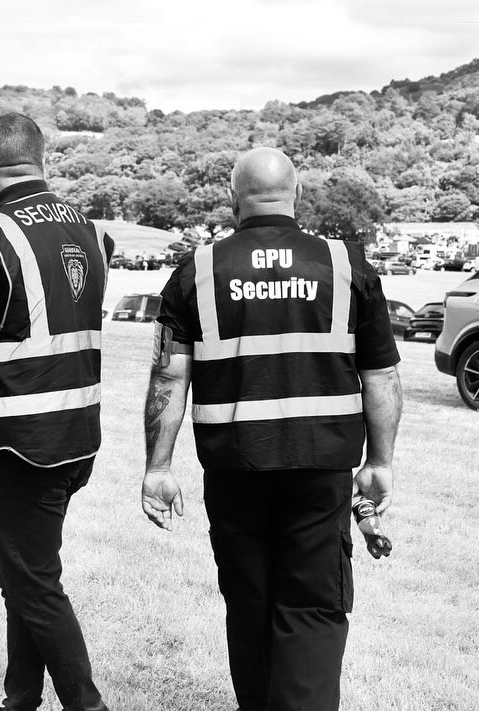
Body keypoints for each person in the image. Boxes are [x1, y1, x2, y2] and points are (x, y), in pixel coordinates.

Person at [141, 147, 402, 711]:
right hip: (318, 472)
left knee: (250, 604)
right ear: (298, 196)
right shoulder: (345, 264)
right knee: (311, 608)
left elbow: (169, 374)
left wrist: (158, 468)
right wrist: (379, 463)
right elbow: (381, 375)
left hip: (236, 472)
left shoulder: (198, 270)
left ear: (234, 201)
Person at [0, 113, 113, 711]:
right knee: (25, 571)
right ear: (46, 161)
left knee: (34, 581)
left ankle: (85, 704)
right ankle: (20, 698)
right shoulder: (92, 231)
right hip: (80, 429)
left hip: (16, 440)